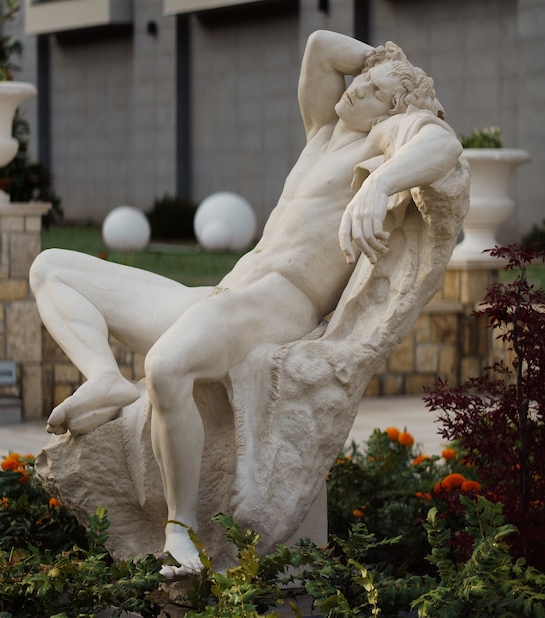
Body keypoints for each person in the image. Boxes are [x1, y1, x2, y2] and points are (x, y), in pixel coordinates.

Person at [29, 30, 464, 576]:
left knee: (165, 366)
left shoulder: (380, 143)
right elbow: (318, 47)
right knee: (52, 270)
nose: (355, 90)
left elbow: (441, 144)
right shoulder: (321, 134)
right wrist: (382, 59)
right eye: (361, 81)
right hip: (221, 296)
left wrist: (380, 185)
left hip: (278, 305)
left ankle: (180, 529)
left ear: (389, 113)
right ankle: (103, 376)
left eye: (373, 91)